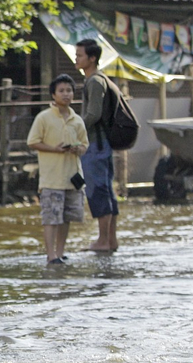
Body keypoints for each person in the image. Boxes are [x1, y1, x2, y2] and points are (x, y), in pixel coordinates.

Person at [26, 74, 89, 264]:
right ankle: (50, 254)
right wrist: (54, 149)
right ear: (53, 94)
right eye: (61, 91)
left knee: (66, 217)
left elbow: (85, 145)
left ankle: (60, 252)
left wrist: (78, 149)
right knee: (51, 217)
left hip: (72, 177)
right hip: (51, 177)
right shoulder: (43, 117)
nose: (66, 94)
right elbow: (33, 142)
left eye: (69, 90)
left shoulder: (77, 120)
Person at [75, 38, 119, 252]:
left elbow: (93, 114)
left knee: (98, 190)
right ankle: (111, 240)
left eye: (80, 55)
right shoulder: (101, 79)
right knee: (107, 190)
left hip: (95, 144)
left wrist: (74, 129)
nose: (76, 59)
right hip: (103, 143)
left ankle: (103, 240)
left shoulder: (94, 81)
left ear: (92, 58)